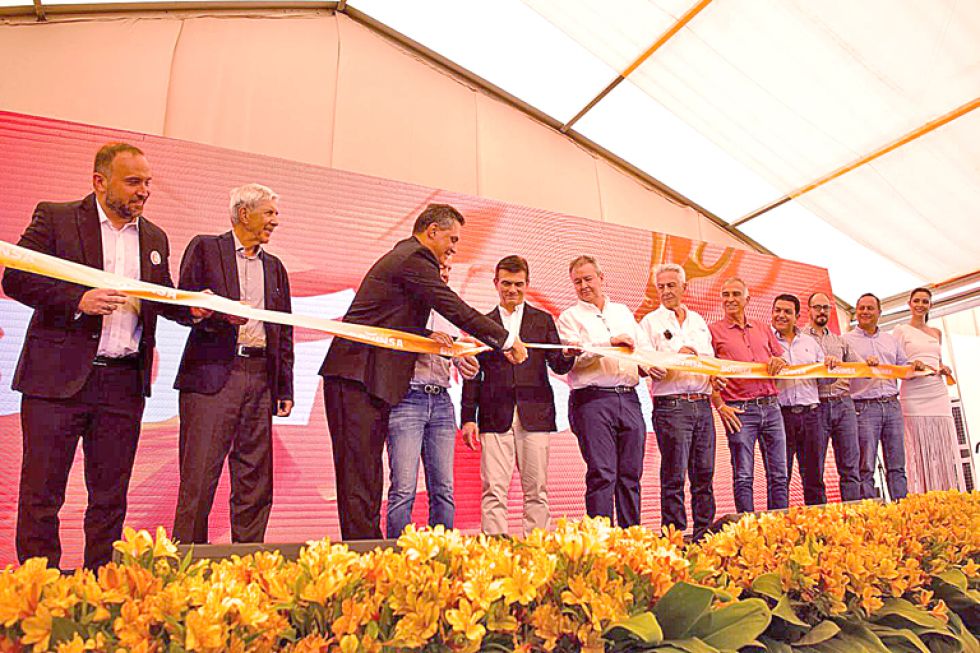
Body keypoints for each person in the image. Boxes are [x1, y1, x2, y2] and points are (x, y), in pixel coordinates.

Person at [1, 143, 197, 569]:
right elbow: (15, 278)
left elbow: (158, 299)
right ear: (99, 181)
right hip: (57, 380)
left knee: (110, 497)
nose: (144, 191)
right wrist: (77, 300)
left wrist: (195, 308)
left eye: (147, 182)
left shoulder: (155, 238)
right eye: (133, 182)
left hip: (122, 385)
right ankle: (40, 590)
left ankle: (101, 589)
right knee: (42, 494)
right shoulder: (56, 218)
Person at [319, 204, 527, 540]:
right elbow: (453, 306)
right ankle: (360, 554)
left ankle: (369, 551)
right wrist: (504, 339)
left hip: (371, 381)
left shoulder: (410, 258)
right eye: (452, 239)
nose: (454, 249)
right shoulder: (414, 257)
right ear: (431, 231)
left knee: (369, 475)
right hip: (354, 376)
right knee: (359, 476)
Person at [171, 183, 294, 545]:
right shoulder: (206, 248)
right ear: (244, 214)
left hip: (260, 377)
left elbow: (282, 331)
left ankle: (248, 562)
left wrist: (284, 386)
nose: (276, 220)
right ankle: (187, 565)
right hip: (212, 377)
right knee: (199, 476)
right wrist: (217, 316)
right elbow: (181, 307)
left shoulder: (275, 268)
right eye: (269, 212)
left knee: (255, 477)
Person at [460, 255, 575, 536]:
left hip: (535, 414)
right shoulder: (482, 324)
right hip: (493, 415)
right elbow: (473, 372)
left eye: (519, 284)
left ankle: (537, 552)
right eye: (507, 284)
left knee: (537, 490)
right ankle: (495, 554)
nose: (513, 290)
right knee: (493, 490)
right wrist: (467, 418)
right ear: (496, 284)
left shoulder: (543, 320)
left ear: (528, 284)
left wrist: (569, 354)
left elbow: (557, 364)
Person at [385, 257, 480, 538]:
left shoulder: (451, 311)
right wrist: (426, 336)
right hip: (408, 397)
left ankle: (442, 555)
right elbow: (392, 341)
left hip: (441, 399)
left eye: (449, 269)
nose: (445, 274)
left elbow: (461, 358)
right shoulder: (404, 307)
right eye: (440, 268)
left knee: (444, 488)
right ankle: (396, 557)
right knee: (403, 487)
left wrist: (467, 365)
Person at [556, 255, 646, 528]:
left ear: (602, 278)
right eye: (577, 282)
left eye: (588, 279)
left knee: (631, 475)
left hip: (629, 397)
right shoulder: (569, 318)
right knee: (602, 473)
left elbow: (640, 350)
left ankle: (633, 539)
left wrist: (649, 366)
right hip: (592, 399)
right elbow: (573, 358)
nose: (583, 286)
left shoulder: (623, 312)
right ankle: (601, 540)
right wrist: (609, 342)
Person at [636, 263, 716, 539]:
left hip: (703, 404)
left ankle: (705, 534)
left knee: (704, 474)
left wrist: (711, 372)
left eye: (672, 285)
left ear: (684, 288)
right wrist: (677, 356)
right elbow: (646, 362)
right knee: (674, 475)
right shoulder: (648, 323)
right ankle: (675, 536)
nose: (667, 291)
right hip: (672, 405)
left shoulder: (699, 322)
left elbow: (710, 360)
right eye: (661, 287)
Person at [709, 278, 789, 513]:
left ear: (747, 299)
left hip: (772, 407)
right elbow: (707, 373)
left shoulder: (763, 328)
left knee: (779, 474)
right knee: (743, 475)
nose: (730, 299)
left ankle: (781, 527)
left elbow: (782, 359)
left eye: (735, 294)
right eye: (725, 294)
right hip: (740, 410)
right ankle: (747, 530)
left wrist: (779, 360)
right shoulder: (713, 331)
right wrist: (720, 405)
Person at [844, 293, 925, 501]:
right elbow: (841, 373)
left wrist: (916, 366)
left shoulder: (890, 340)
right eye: (861, 308)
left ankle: (901, 511)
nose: (865, 312)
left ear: (880, 312)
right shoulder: (845, 340)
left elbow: (904, 367)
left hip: (891, 405)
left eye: (870, 308)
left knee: (897, 465)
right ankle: (872, 515)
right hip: (863, 407)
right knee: (865, 466)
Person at [892, 288, 964, 493]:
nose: (920, 305)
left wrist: (943, 368)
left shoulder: (936, 333)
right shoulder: (901, 330)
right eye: (917, 301)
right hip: (914, 393)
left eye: (925, 301)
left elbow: (937, 360)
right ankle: (921, 493)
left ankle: (945, 492)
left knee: (942, 446)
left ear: (930, 305)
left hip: (937, 392)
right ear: (909, 303)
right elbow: (896, 363)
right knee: (918, 448)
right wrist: (911, 366)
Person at [803, 292, 861, 501]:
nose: (821, 311)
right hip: (815, 406)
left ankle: (854, 517)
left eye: (825, 308)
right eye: (817, 307)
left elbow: (859, 367)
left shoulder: (840, 341)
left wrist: (871, 362)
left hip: (844, 404)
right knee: (813, 470)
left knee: (850, 467)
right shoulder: (800, 340)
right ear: (808, 309)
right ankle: (820, 523)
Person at [771, 293, 827, 505]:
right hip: (780, 417)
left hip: (812, 416)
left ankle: (820, 529)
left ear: (797, 316)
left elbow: (825, 381)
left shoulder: (810, 343)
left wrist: (829, 367)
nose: (781, 315)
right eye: (777, 310)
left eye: (787, 312)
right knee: (779, 477)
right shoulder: (766, 342)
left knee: (814, 477)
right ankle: (779, 529)